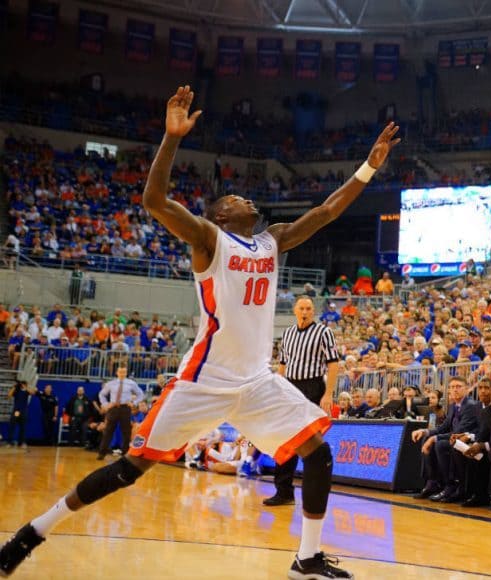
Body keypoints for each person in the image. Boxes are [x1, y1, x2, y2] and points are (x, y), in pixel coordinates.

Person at [0, 86, 400, 579]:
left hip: (256, 383)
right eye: (234, 196)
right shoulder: (209, 239)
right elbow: (153, 199)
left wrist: (369, 167)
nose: (246, 196)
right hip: (203, 381)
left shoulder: (271, 239)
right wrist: (170, 139)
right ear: (220, 214)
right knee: (130, 469)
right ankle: (34, 531)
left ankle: (308, 559)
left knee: (318, 455)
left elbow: (326, 212)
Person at [263, 296, 341, 507]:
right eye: (301, 308)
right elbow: (283, 364)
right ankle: (284, 491)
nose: (305, 311)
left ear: (313, 311)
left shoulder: (324, 332)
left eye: (308, 308)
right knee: (286, 436)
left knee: (308, 439)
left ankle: (312, 491)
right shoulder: (288, 333)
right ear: (295, 311)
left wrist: (328, 393)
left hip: (313, 386)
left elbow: (333, 364)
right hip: (290, 387)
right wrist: (278, 389)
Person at [96, 366, 145, 460]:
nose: (122, 374)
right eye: (120, 372)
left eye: (124, 372)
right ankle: (102, 453)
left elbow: (140, 394)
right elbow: (101, 394)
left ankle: (125, 454)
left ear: (126, 373)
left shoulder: (131, 383)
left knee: (126, 432)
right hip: (113, 408)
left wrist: (134, 403)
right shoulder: (111, 383)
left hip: (125, 408)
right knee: (108, 431)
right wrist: (105, 404)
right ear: (117, 372)